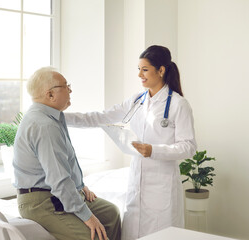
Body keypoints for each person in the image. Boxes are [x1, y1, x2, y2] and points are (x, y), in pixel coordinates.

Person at [64, 45, 197, 240]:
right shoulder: (137, 100)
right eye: (138, 69)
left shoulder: (178, 104)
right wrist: (60, 117)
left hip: (162, 187)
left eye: (145, 69)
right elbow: (100, 117)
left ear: (161, 70)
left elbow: (189, 146)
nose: (140, 75)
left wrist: (153, 150)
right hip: (137, 183)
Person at [13, 67, 121, 240]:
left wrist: (79, 186)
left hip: (54, 194)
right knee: (92, 236)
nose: (70, 90)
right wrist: (88, 217)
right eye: (65, 86)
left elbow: (61, 165)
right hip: (42, 203)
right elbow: (59, 180)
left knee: (111, 213)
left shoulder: (52, 117)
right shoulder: (44, 126)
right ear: (50, 95)